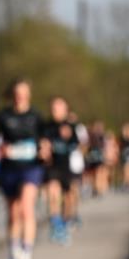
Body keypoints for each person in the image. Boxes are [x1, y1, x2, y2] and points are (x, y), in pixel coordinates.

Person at [0, 78, 45, 259]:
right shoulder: (3, 116)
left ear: (29, 94)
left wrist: (45, 149)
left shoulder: (36, 116)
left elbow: (44, 140)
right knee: (13, 213)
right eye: (17, 92)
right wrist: (0, 148)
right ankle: (13, 254)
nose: (20, 95)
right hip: (9, 168)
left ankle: (27, 256)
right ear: (12, 94)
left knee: (26, 208)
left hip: (31, 168)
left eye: (24, 91)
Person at [42, 96, 80, 246]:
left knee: (68, 197)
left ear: (66, 109)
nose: (56, 110)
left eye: (59, 107)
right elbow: (42, 142)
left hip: (66, 166)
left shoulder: (71, 126)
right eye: (54, 108)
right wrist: (44, 148)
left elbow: (77, 144)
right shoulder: (46, 126)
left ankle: (65, 221)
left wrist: (69, 137)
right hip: (52, 166)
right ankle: (56, 224)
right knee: (53, 193)